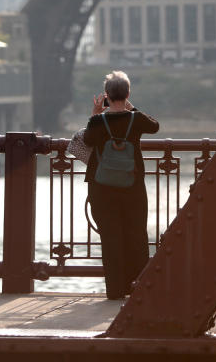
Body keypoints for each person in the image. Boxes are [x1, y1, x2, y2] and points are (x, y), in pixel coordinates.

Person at [67, 70, 159, 300]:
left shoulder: (98, 121)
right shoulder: (135, 119)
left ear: (106, 95)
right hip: (132, 185)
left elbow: (87, 140)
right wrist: (130, 107)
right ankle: (138, 288)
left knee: (110, 238)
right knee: (136, 235)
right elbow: (155, 126)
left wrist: (95, 113)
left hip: (102, 187)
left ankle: (115, 291)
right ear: (127, 93)